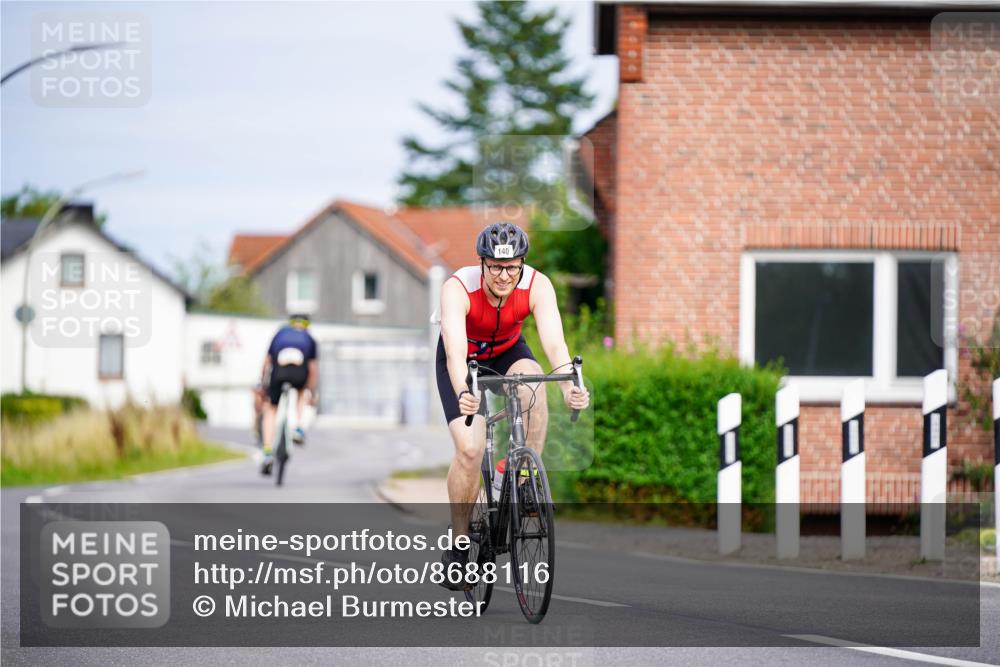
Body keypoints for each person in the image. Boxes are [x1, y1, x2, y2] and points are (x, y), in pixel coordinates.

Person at [436, 221, 589, 589]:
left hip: (507, 351)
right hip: (464, 359)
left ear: (522, 263)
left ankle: (521, 479)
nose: (504, 276)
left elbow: (555, 344)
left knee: (533, 384)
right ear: (482, 263)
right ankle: (458, 547)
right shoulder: (458, 288)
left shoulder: (538, 284)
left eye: (512, 267)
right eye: (496, 267)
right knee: (470, 450)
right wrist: (464, 392)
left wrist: (571, 383)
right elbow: (456, 353)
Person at [259, 313, 318, 475]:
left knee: (271, 409)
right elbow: (312, 370)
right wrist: (311, 393)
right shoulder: (309, 339)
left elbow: (266, 363)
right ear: (306, 325)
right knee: (300, 392)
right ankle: (298, 428)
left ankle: (267, 452)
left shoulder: (280, 333)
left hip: (279, 373)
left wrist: (263, 385)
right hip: (299, 373)